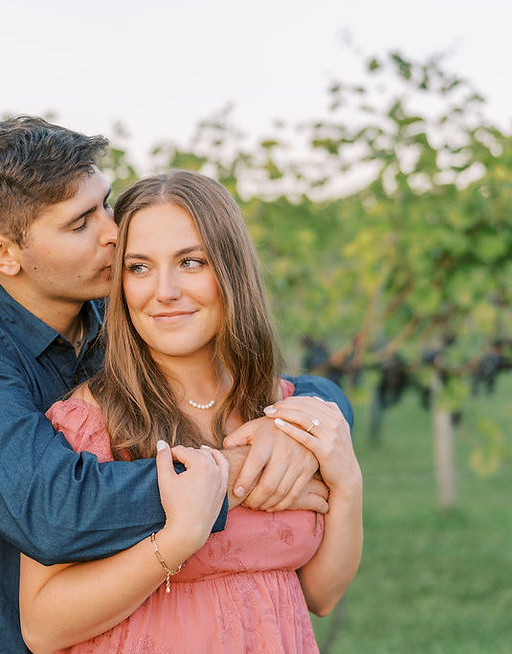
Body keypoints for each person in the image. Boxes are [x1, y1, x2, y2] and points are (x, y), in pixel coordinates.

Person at [0, 117, 351, 653]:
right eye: (80, 222)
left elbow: (297, 387)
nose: (114, 231)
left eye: (105, 203)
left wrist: (298, 428)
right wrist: (235, 472)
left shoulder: (119, 322)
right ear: (3, 254)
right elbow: (55, 507)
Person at [18, 171, 363, 653]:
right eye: (138, 268)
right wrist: (179, 538)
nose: (164, 291)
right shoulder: (90, 424)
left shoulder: (281, 411)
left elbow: (320, 595)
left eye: (191, 262)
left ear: (231, 271)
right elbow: (42, 628)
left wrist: (347, 482)